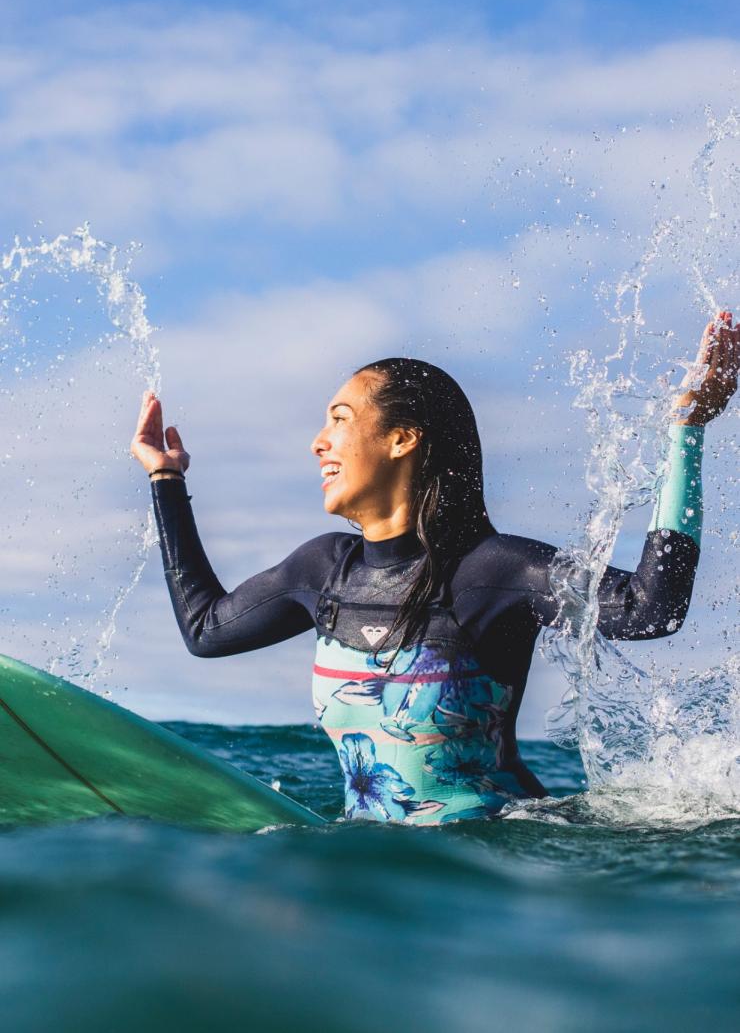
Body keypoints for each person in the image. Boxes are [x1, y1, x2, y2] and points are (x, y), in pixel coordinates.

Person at [131, 314, 738, 825]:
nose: (319, 441)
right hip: (379, 877)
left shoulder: (493, 570)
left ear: (402, 439)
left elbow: (651, 609)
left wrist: (686, 431)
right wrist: (166, 478)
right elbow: (205, 631)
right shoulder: (320, 571)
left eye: (339, 419)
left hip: (498, 868)